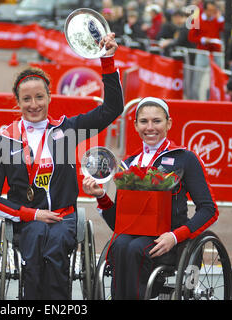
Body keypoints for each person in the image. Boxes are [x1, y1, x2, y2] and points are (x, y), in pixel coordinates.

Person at [0, 33, 123, 300]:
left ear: (49, 97)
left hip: (64, 217)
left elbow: (113, 108)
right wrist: (30, 215)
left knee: (55, 245)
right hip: (27, 220)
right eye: (27, 99)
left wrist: (107, 60)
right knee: (35, 241)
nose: (34, 105)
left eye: (39, 97)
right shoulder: (4, 140)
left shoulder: (67, 130)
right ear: (17, 101)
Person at [82, 97, 219, 300]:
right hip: (133, 238)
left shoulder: (185, 158)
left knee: (136, 248)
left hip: (171, 241)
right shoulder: (129, 164)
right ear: (135, 125)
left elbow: (209, 209)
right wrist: (101, 196)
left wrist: (175, 236)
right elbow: (118, 224)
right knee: (118, 244)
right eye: (144, 121)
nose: (150, 127)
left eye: (157, 121)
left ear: (169, 123)